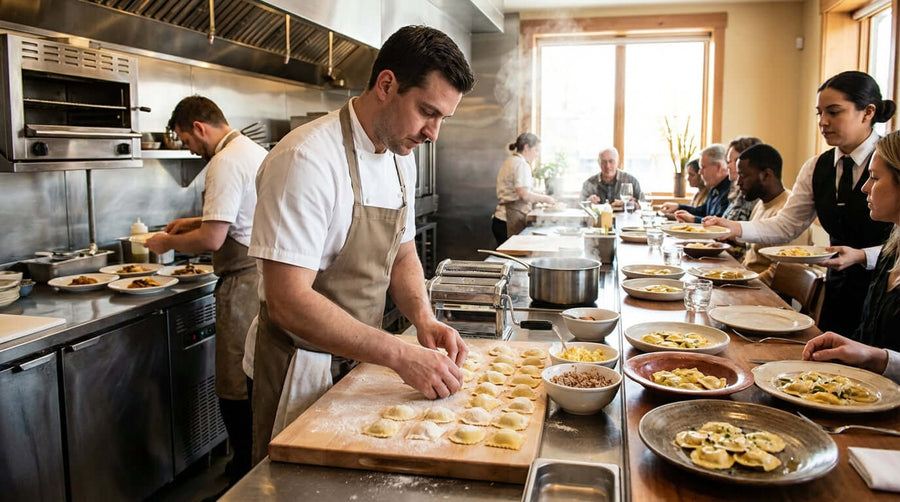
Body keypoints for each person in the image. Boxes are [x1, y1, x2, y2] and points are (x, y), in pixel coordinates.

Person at [246, 25, 474, 463]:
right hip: (301, 368)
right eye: (427, 112)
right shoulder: (306, 159)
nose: (433, 133)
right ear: (386, 85)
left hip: (362, 361)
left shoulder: (399, 158)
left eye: (443, 118)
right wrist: (399, 354)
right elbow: (287, 301)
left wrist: (423, 320)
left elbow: (402, 253)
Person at [703, 71, 895, 335]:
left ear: (868, 112)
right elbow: (787, 225)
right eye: (819, 113)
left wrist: (863, 256)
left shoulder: (891, 159)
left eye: (834, 112)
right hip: (838, 290)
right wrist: (735, 228)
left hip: (887, 290)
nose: (823, 122)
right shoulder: (817, 167)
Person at [145, 96, 265, 480]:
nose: (190, 150)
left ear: (199, 127)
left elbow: (214, 239)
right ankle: (252, 473)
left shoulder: (223, 162)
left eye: (187, 140)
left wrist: (166, 242)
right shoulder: (252, 151)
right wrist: (194, 220)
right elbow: (239, 215)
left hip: (242, 284)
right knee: (254, 382)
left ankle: (241, 478)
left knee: (235, 387)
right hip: (264, 278)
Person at [802, 129, 900, 383]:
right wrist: (852, 348)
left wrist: (875, 357)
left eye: (875, 178)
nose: (865, 188)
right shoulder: (890, 254)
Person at [717, 143, 811, 284]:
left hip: (765, 291)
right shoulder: (762, 203)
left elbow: (784, 272)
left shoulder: (789, 211)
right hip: (748, 281)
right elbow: (753, 251)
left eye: (743, 176)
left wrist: (742, 284)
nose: (738, 183)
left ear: (766, 175)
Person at [492, 133, 554, 244]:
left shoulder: (511, 161)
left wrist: (538, 193)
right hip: (508, 219)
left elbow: (518, 189)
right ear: (526, 147)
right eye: (536, 150)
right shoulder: (521, 164)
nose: (537, 155)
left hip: (501, 219)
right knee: (512, 254)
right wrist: (546, 199)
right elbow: (524, 194)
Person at [661, 144, 730, 223]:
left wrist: (693, 219)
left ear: (719, 167)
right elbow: (702, 211)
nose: (700, 172)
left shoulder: (731, 191)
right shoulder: (714, 188)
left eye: (703, 167)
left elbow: (720, 224)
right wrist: (678, 207)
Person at [721, 136, 763, 222]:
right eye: (729, 161)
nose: (728, 166)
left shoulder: (756, 197)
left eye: (736, 161)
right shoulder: (738, 193)